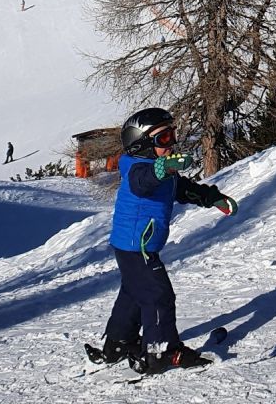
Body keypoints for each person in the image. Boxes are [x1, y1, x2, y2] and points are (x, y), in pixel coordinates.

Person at [94, 107, 239, 374]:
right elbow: (143, 182)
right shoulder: (137, 168)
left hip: (134, 245)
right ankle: (162, 351)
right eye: (163, 138)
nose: (171, 143)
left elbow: (181, 189)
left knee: (135, 292)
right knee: (158, 295)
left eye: (173, 135)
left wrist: (212, 198)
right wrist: (164, 167)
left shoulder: (161, 172)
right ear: (141, 145)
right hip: (137, 246)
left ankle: (118, 342)